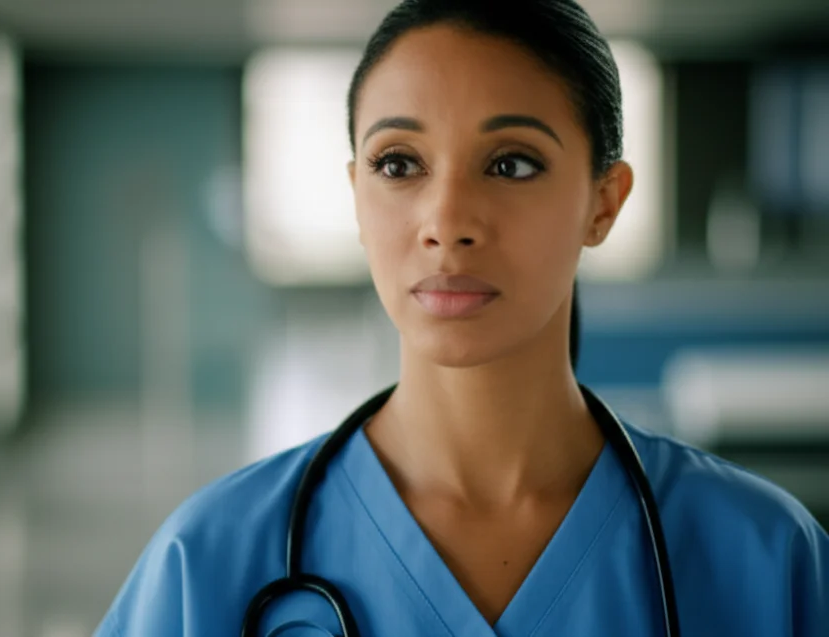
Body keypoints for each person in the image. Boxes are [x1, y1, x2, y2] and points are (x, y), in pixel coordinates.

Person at [96, 1, 829, 635]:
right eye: (398, 164)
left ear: (603, 202)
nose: (446, 221)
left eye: (511, 163)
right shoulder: (211, 559)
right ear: (356, 194)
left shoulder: (766, 558)